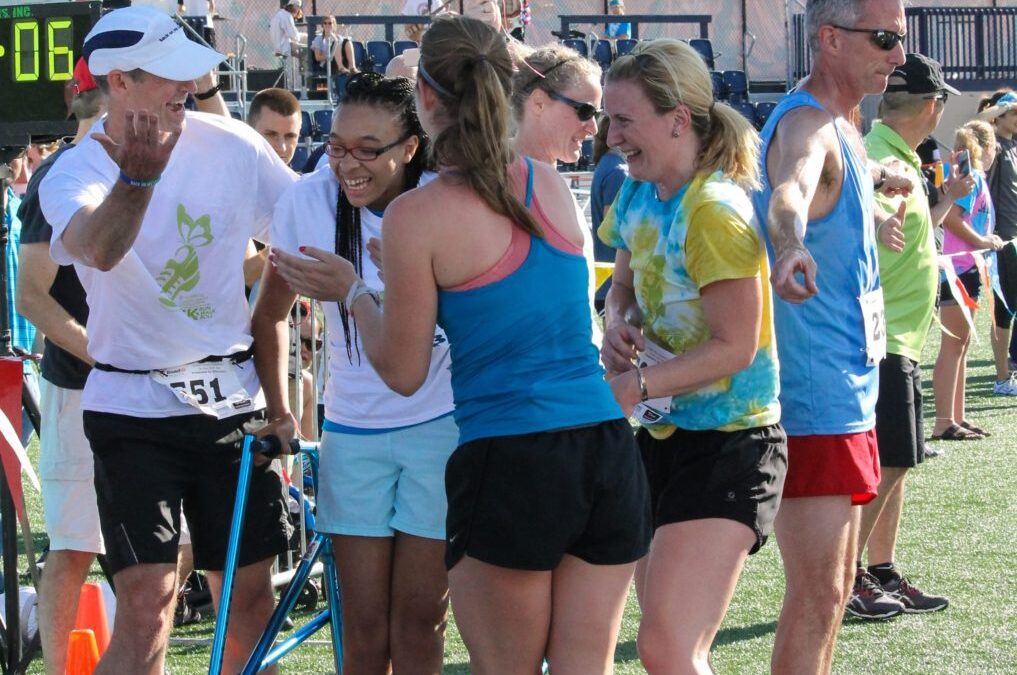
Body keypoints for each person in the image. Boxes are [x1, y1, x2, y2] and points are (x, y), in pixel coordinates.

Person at [268, 16, 651, 673]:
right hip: (606, 450)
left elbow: (404, 371)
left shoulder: (418, 215)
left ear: (421, 98)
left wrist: (355, 291)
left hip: (512, 455)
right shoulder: (544, 180)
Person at [38, 7, 296, 673]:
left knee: (247, 599)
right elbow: (96, 248)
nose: (190, 86)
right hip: (131, 410)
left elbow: (304, 226)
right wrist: (140, 178)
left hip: (230, 404)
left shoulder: (232, 144)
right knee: (148, 604)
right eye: (170, 76)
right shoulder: (73, 170)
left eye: (191, 73)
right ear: (118, 83)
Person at [254, 71, 455, 674]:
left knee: (421, 621)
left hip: (442, 428)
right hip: (353, 434)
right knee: (363, 628)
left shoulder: (443, 200)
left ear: (411, 147)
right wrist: (279, 409)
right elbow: (267, 318)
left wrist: (360, 290)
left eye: (369, 150)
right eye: (338, 146)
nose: (348, 164)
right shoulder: (307, 203)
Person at [598, 39, 786, 673]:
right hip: (663, 439)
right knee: (665, 647)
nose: (610, 135)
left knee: (668, 647)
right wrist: (616, 325)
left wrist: (638, 384)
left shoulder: (715, 210)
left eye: (624, 119)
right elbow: (619, 290)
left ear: (677, 118)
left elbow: (736, 347)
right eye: (606, 118)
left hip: (734, 442)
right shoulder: (636, 194)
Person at [751, 0, 909, 671]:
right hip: (815, 395)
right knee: (818, 594)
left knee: (835, 591)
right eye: (883, 39)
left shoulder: (843, 124)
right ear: (828, 40)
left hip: (847, 384)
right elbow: (789, 189)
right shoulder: (808, 123)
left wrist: (876, 191)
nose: (897, 56)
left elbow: (838, 173)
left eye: (900, 39)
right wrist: (787, 245)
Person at [850, 52, 969, 620]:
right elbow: (857, 222)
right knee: (890, 461)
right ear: (933, 105)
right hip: (880, 338)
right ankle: (846, 574)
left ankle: (879, 568)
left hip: (899, 335)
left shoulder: (894, 154)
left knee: (900, 459)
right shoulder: (877, 157)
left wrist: (940, 203)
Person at [14, 58, 105, 675]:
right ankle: (58, 668)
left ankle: (122, 654)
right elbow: (30, 297)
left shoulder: (156, 166)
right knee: (74, 547)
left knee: (172, 543)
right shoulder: (56, 177)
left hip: (153, 391)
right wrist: (103, 355)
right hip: (79, 388)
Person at [510, 43, 603, 339]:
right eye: (585, 111)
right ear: (538, 103)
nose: (593, 129)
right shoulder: (505, 184)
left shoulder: (545, 180)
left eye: (596, 114)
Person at [932, 120, 1003, 440]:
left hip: (968, 268)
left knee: (960, 346)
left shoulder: (972, 177)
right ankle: (944, 420)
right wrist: (985, 242)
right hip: (958, 268)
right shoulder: (969, 178)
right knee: (952, 346)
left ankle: (956, 416)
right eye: (994, 148)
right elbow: (953, 220)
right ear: (986, 148)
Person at [978, 90, 1017, 393]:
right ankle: (1002, 378)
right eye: (1014, 112)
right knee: (1003, 309)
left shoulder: (1014, 144)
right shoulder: (993, 145)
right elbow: (979, 123)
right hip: (1003, 239)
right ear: (1000, 116)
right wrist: (1000, 107)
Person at [249, 87, 302, 165]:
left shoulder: (304, 177)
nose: (282, 148)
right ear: (249, 131)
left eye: (290, 136)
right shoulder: (228, 175)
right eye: (271, 134)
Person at [311, 16, 358, 100]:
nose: (327, 25)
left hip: (339, 60)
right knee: (336, 43)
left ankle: (352, 67)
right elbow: (317, 57)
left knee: (347, 41)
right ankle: (341, 67)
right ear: (323, 25)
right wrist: (330, 54)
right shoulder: (319, 39)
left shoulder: (338, 37)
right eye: (325, 23)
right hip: (327, 63)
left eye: (330, 23)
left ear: (334, 25)